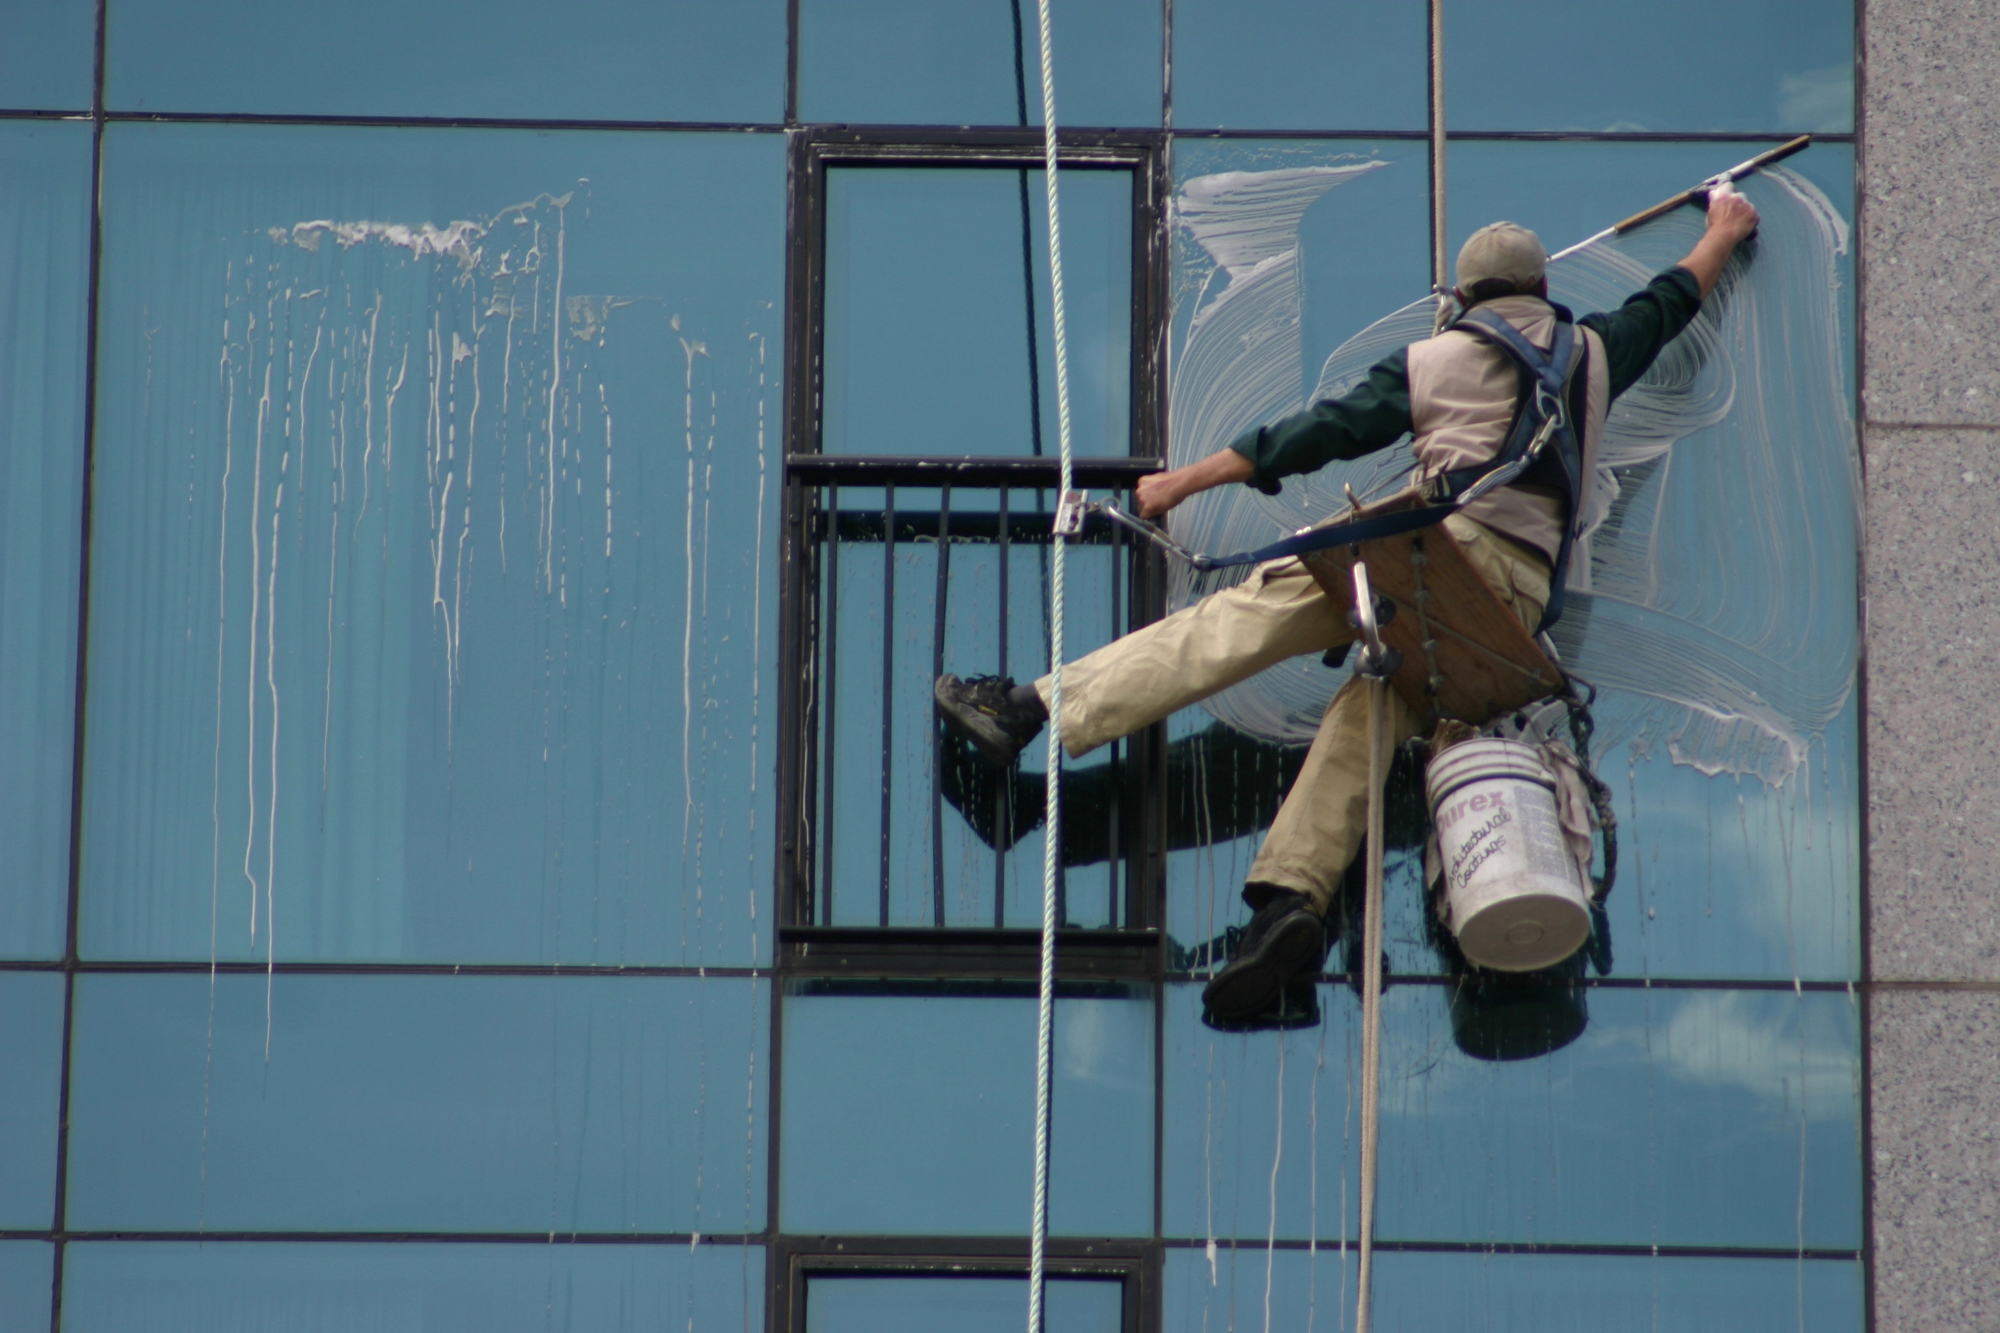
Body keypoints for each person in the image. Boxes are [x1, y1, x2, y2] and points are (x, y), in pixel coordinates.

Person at [936, 191, 1762, 1021]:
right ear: (1542, 289)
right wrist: (1723, 227)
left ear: (1465, 300)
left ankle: (1026, 707)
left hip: (1428, 555)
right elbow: (1672, 299)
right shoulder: (1596, 351)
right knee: (1367, 718)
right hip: (1509, 619)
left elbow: (1318, 432)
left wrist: (1185, 481)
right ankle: (1286, 908)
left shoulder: (1435, 361)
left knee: (1239, 620)